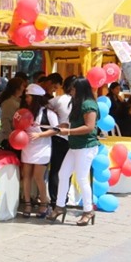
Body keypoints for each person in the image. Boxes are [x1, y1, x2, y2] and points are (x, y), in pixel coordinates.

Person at [48, 77, 99, 227]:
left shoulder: (89, 105)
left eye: (74, 89)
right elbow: (73, 123)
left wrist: (68, 131)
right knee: (63, 174)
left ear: (81, 89)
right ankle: (59, 206)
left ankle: (88, 210)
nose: (71, 92)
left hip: (86, 146)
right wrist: (62, 127)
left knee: (82, 178)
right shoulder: (76, 103)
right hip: (75, 145)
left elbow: (89, 127)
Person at [18, 84, 56, 218]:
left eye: (28, 96)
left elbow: (56, 129)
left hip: (43, 148)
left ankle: (44, 203)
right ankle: (27, 203)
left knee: (38, 176)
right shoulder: (24, 112)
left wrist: (39, 135)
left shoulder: (48, 113)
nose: (26, 99)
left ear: (35, 98)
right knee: (26, 176)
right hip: (27, 147)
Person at [46, 74, 72, 207]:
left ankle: (55, 199)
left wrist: (55, 115)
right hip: (72, 139)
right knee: (68, 171)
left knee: (56, 169)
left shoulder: (58, 100)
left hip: (58, 137)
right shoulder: (79, 102)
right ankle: (64, 197)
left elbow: (46, 106)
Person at [0, 77, 26, 149]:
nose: (24, 88)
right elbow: (5, 120)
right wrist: (10, 136)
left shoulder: (16, 100)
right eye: (23, 86)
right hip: (8, 138)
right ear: (17, 88)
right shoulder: (9, 102)